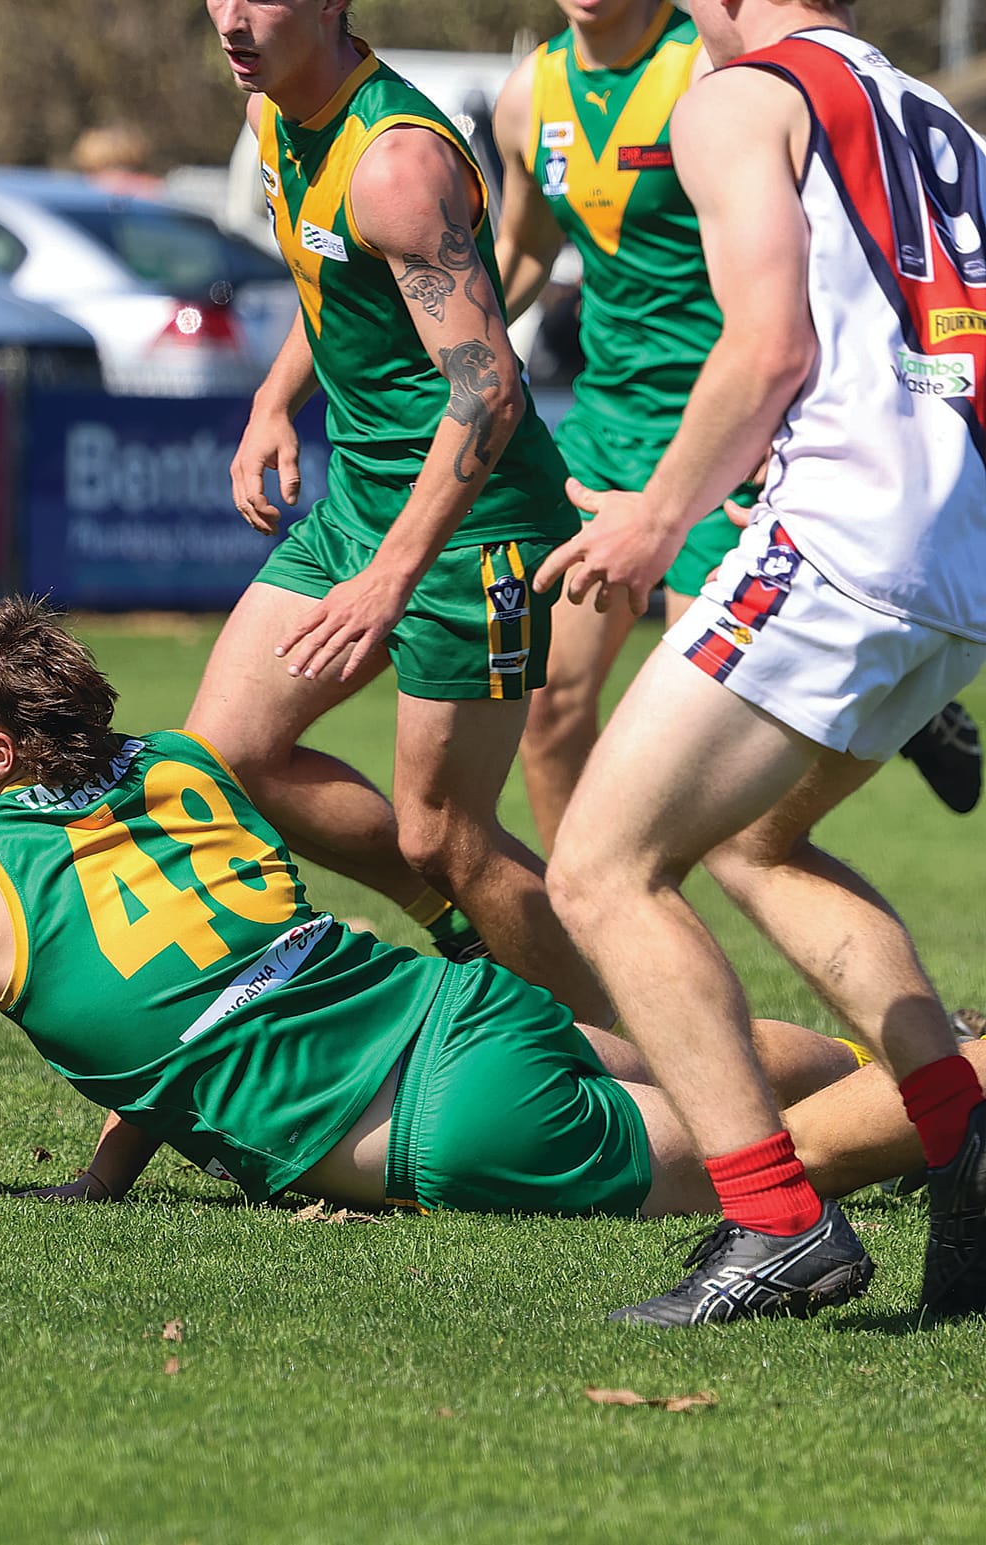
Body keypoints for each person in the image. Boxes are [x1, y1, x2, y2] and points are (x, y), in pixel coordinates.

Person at [0, 597, 961, 1244]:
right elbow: (176, 1004)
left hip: (447, 1117)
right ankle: (943, 1049)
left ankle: (968, 1087)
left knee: (787, 1169)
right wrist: (108, 1171)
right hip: (451, 1009)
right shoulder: (179, 769)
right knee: (761, 1063)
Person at [537, 2, 986, 1325]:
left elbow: (770, 344)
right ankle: (964, 1132)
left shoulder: (737, 98)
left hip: (845, 543)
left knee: (602, 865)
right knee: (760, 842)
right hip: (952, 550)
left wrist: (657, 514)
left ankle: (778, 1222)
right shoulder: (935, 116)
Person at [193, 0, 609, 1025]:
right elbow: (331, 281)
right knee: (216, 765)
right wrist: (269, 402)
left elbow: (490, 391)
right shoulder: (271, 117)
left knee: (445, 833)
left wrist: (391, 577)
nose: (231, 19)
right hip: (362, 507)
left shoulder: (394, 166)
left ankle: (630, 1049)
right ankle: (468, 937)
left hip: (474, 533)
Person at [495, 0, 980, 850]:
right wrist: (451, 350)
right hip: (604, 428)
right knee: (547, 712)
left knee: (721, 785)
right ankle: (583, 961)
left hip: (715, 435)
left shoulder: (719, 70)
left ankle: (894, 713)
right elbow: (527, 246)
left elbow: (785, 300)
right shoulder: (528, 97)